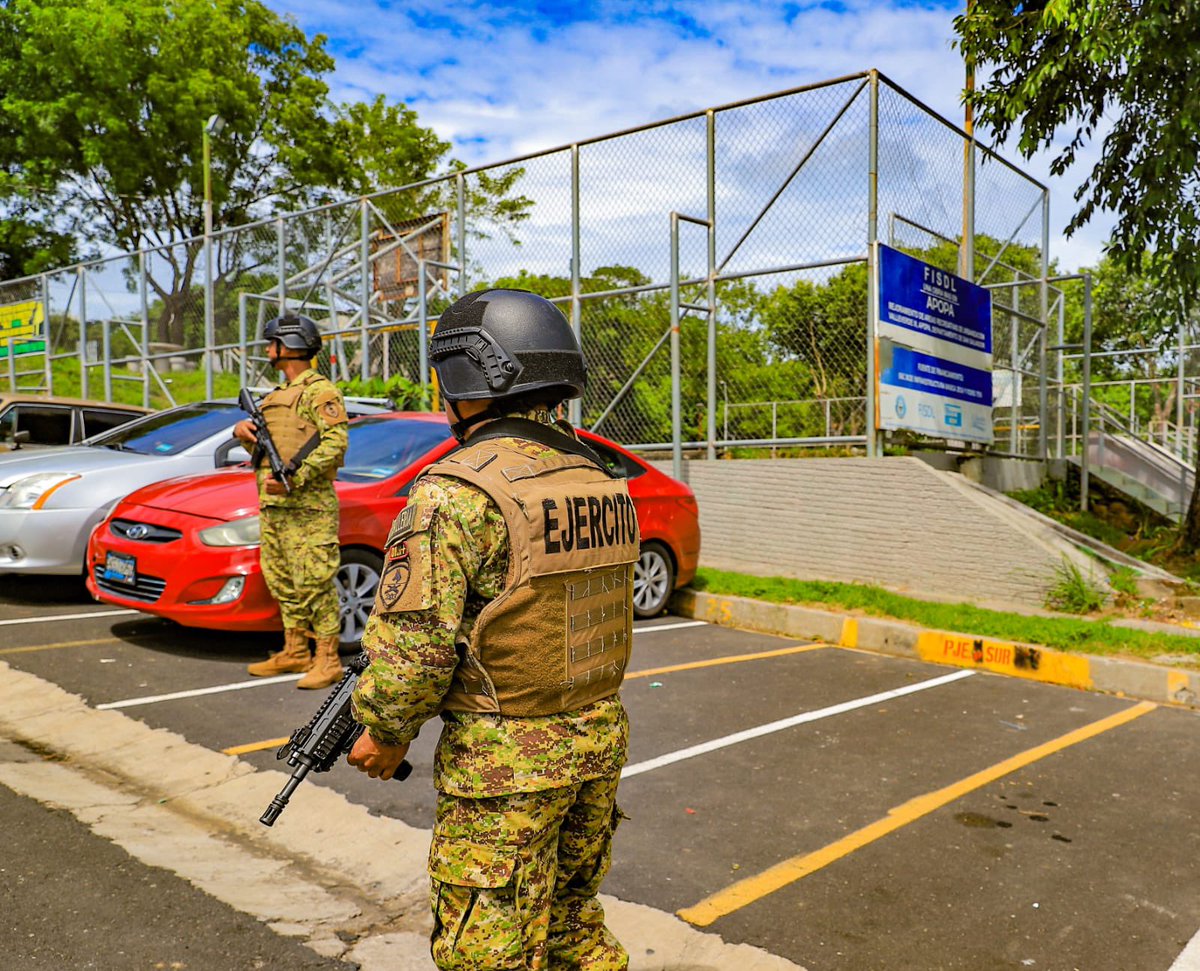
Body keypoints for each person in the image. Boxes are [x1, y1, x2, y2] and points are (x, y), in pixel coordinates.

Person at [347, 288, 638, 969]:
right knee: (573, 926)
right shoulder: (599, 477)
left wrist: (385, 733)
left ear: (469, 376)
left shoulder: (454, 492)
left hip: (503, 771)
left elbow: (414, 653)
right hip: (595, 747)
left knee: (487, 955)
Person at [235, 313, 349, 691]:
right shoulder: (275, 396)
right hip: (275, 508)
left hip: (308, 507)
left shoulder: (320, 392)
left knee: (315, 581)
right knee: (282, 579)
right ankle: (295, 649)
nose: (267, 350)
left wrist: (295, 478)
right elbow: (273, 446)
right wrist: (243, 435)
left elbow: (335, 443)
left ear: (288, 347)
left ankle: (328, 659)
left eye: (272, 343)